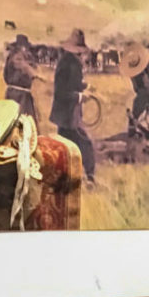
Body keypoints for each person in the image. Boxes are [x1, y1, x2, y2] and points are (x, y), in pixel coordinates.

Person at [51, 29, 96, 183]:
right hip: (68, 115)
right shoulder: (69, 64)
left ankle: (60, 177)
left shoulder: (68, 61)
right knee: (85, 144)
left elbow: (72, 83)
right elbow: (61, 92)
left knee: (64, 146)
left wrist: (85, 85)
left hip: (66, 114)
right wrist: (81, 97)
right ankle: (90, 177)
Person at [2, 34, 40, 124]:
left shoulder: (12, 56)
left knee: (11, 118)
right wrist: (38, 75)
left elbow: (5, 75)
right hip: (20, 95)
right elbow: (29, 70)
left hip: (13, 92)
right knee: (23, 120)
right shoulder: (17, 58)